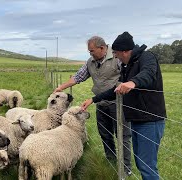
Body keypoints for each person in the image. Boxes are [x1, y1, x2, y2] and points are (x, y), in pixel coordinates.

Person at [81, 32, 166, 180]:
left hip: (151, 120)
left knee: (147, 165)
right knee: (141, 164)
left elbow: (148, 74)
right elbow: (115, 90)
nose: (116, 57)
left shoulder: (147, 57)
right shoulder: (128, 66)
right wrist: (94, 99)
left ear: (126, 51)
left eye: (117, 54)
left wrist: (133, 83)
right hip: (137, 120)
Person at [54, 36, 132, 174]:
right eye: (89, 51)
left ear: (102, 48)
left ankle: (126, 168)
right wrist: (61, 87)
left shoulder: (117, 58)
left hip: (118, 104)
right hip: (100, 104)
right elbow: (78, 77)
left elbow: (128, 75)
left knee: (122, 135)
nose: (90, 54)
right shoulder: (91, 62)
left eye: (92, 51)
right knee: (105, 134)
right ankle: (111, 162)